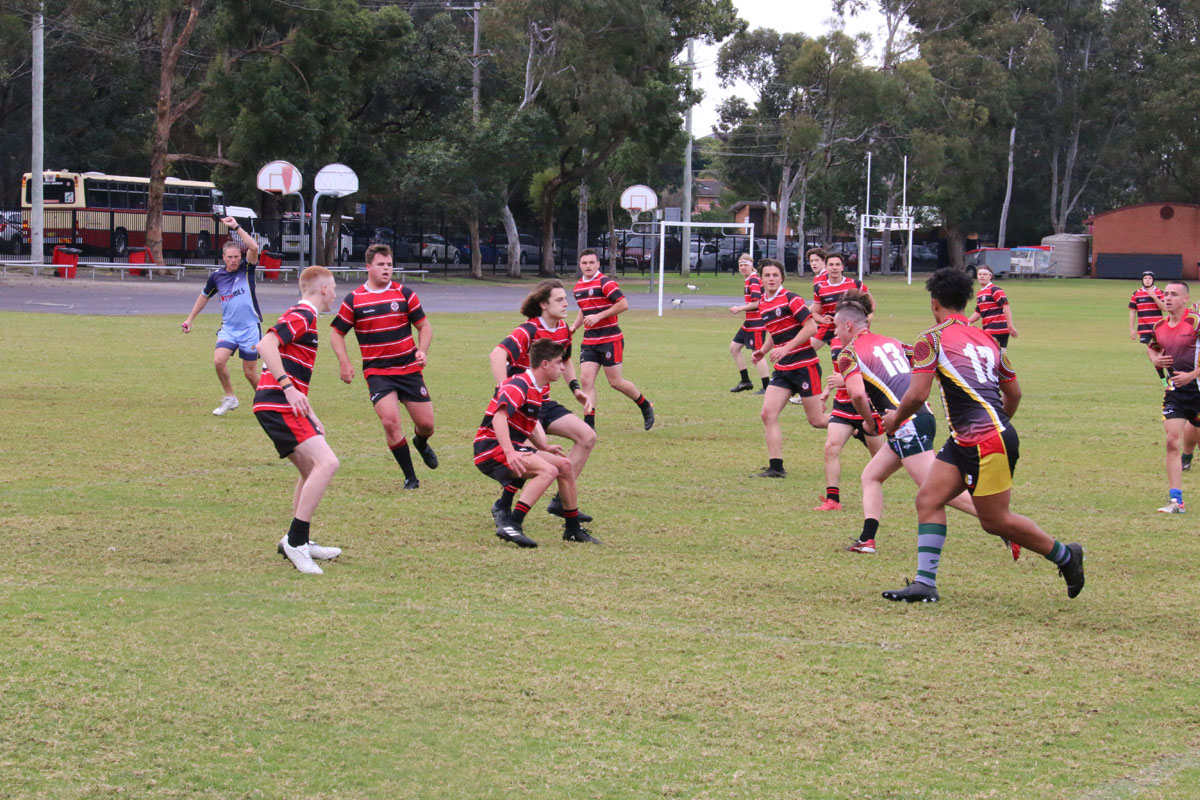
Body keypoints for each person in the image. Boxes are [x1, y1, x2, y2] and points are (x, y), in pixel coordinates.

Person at [879, 268, 1083, 603]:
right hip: (969, 439)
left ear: (934, 303)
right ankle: (925, 584)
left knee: (994, 521)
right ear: (966, 302)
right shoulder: (989, 340)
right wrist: (998, 425)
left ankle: (1066, 555)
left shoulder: (930, 339)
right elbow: (1014, 393)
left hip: (985, 442)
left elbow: (916, 395)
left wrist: (894, 419)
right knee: (928, 499)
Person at [832, 291, 990, 556]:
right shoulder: (892, 342)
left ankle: (1000, 522)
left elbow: (857, 394)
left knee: (935, 490)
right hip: (917, 418)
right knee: (871, 475)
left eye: (837, 327)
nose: (835, 333)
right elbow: (923, 360)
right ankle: (867, 539)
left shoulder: (848, 353)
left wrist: (870, 423)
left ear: (848, 325)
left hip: (907, 423)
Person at [253, 266, 343, 575]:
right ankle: (295, 541)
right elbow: (265, 345)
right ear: (323, 289)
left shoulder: (306, 317)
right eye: (333, 288)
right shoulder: (303, 314)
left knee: (310, 469)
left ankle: (299, 541)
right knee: (328, 463)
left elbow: (291, 367)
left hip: (279, 404)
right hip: (277, 404)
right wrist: (288, 388)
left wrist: (309, 411)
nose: (335, 294)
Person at [329, 244, 436, 490]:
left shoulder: (404, 294)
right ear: (368, 267)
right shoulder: (355, 299)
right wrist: (344, 362)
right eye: (381, 265)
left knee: (427, 425)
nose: (386, 269)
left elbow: (424, 326)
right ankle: (410, 477)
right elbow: (336, 333)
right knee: (390, 422)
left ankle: (421, 442)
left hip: (408, 369)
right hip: (378, 373)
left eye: (389, 264)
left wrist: (422, 351)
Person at [490, 279, 596, 522]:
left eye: (566, 299)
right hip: (523, 406)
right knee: (535, 453)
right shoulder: (528, 330)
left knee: (587, 436)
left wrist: (575, 389)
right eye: (559, 300)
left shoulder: (563, 329)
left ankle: (561, 500)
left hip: (543, 402)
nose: (566, 303)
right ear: (544, 304)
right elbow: (497, 355)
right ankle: (503, 505)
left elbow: (565, 360)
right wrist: (505, 389)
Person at [475, 339, 598, 547]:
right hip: (490, 449)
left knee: (565, 465)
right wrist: (510, 452)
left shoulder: (537, 387)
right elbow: (499, 418)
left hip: (510, 446)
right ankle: (513, 524)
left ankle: (572, 529)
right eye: (559, 362)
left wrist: (543, 447)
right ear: (545, 364)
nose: (563, 368)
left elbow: (527, 424)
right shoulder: (519, 385)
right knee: (548, 471)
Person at [750, 259, 826, 478]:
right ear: (760, 279)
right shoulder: (763, 302)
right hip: (783, 369)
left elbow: (811, 328)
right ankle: (776, 467)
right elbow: (774, 331)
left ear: (782, 277)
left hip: (804, 366)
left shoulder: (791, 298)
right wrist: (763, 351)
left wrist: (786, 348)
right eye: (767, 275)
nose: (771, 279)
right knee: (767, 414)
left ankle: (857, 422)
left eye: (775, 275)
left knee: (817, 420)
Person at [180, 218, 262, 416]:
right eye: (230, 257)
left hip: (250, 328)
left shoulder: (247, 269)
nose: (234, 260)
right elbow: (204, 296)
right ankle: (230, 397)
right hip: (229, 328)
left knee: (249, 373)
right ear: (223, 257)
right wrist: (190, 318)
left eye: (237, 256)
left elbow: (253, 247)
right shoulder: (217, 277)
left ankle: (266, 401)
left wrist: (236, 227)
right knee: (218, 361)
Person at [572, 249, 655, 431]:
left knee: (615, 382)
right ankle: (589, 425)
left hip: (610, 339)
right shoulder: (578, 287)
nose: (588, 266)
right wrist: (574, 327)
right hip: (590, 341)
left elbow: (623, 304)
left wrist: (599, 316)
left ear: (598, 264)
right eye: (584, 263)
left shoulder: (606, 283)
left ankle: (645, 405)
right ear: (580, 265)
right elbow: (584, 309)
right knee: (586, 380)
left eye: (591, 262)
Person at [813, 334, 885, 511]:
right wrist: (827, 390)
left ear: (848, 324)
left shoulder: (868, 343)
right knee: (831, 447)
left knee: (881, 459)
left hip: (867, 406)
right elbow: (838, 370)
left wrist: (845, 379)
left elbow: (878, 372)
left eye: (838, 324)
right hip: (842, 405)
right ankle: (833, 500)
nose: (834, 329)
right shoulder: (836, 341)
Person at [1146, 280, 1200, 514]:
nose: (1167, 298)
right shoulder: (1159, 325)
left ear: (1185, 298)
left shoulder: (1195, 322)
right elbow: (1152, 347)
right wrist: (1155, 359)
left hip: (1198, 389)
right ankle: (1176, 501)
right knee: (1171, 441)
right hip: (1176, 392)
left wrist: (1192, 375)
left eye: (1174, 294)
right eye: (1166, 294)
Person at [728, 253, 770, 394]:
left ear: (752, 266)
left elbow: (757, 303)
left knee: (757, 353)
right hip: (749, 322)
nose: (742, 267)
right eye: (740, 265)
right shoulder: (748, 280)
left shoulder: (753, 280)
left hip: (757, 323)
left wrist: (739, 308)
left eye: (745, 264)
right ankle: (745, 381)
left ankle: (767, 386)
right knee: (734, 348)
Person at [1130, 270, 1169, 387]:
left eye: (1149, 278)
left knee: (1164, 352)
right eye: (1145, 278)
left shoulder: (1160, 292)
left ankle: (1169, 376)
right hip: (1144, 329)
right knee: (1153, 354)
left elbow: (1164, 308)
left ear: (1153, 280)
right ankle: (1163, 379)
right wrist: (1132, 329)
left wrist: (1154, 297)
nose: (1147, 280)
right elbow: (1133, 311)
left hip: (1159, 328)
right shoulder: (1136, 294)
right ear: (1142, 280)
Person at [967, 266, 1017, 350]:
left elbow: (1006, 305)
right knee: (1000, 355)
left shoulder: (995, 289)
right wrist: (965, 322)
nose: (982, 276)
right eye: (980, 274)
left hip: (997, 328)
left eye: (985, 274)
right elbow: (978, 312)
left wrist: (1010, 325)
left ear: (990, 276)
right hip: (990, 328)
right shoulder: (980, 294)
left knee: (987, 352)